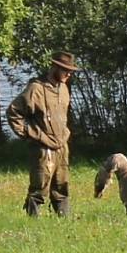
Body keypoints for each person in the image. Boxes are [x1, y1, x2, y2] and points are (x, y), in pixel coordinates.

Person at [6, 51, 79, 217]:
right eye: (64, 70)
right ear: (54, 68)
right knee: (39, 188)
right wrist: (28, 134)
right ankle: (33, 223)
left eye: (70, 71)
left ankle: (65, 221)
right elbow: (13, 112)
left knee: (62, 186)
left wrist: (65, 134)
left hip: (61, 147)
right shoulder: (36, 89)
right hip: (43, 148)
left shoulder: (64, 89)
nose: (68, 74)